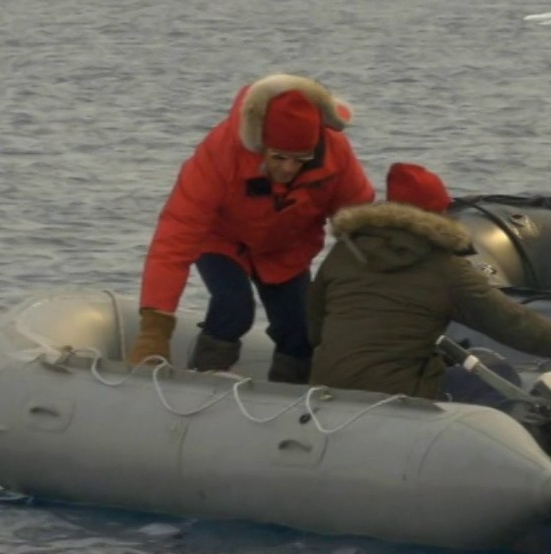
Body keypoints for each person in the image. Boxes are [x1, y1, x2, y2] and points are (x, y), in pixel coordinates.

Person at [128, 73, 375, 383]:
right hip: (222, 242)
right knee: (234, 309)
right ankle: (201, 382)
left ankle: (291, 404)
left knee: (300, 332)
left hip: (286, 250)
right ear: (262, 146)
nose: (287, 168)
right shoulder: (221, 153)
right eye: (279, 157)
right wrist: (154, 330)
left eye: (300, 159)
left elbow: (362, 225)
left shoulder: (336, 155)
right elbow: (174, 236)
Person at [307, 162, 551, 400]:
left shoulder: (345, 253)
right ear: (434, 215)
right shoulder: (445, 268)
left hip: (327, 387)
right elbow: (515, 325)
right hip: (397, 393)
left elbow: (315, 326)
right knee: (498, 379)